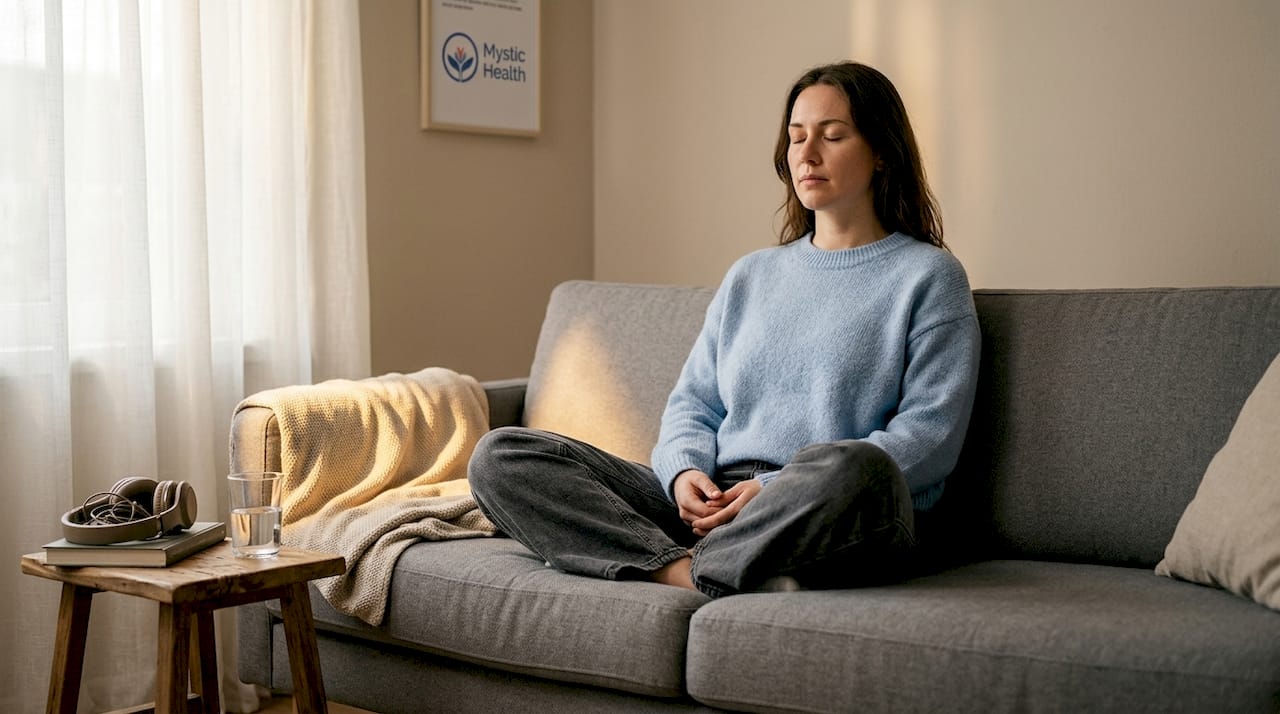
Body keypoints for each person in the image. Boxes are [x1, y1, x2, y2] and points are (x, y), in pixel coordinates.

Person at [468, 61, 980, 598]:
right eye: (796, 136)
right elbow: (694, 403)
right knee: (502, 457)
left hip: (818, 502)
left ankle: (708, 562)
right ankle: (689, 571)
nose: (807, 154)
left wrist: (771, 490)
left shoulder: (928, 276)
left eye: (832, 136)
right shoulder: (751, 275)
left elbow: (928, 439)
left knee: (860, 467)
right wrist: (684, 473)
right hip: (716, 501)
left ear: (881, 152)